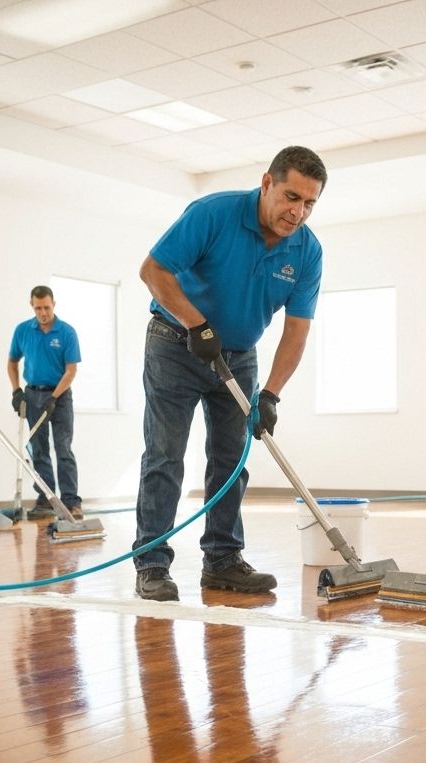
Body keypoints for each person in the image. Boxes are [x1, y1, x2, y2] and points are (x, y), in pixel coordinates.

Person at [133, 145, 326, 601]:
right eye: (290, 197)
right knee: (165, 455)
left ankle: (222, 559)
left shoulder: (308, 251)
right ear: (266, 183)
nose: (297, 212)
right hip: (174, 345)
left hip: (238, 356)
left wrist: (272, 395)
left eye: (309, 203)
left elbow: (296, 332)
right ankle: (152, 564)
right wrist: (195, 324)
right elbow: (153, 271)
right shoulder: (213, 214)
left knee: (231, 461)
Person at [7, 285, 83, 519]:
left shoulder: (66, 332)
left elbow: (71, 371)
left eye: (47, 307)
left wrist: (54, 398)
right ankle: (46, 497)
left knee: (63, 448)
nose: (43, 312)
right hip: (32, 395)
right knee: (38, 449)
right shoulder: (23, 330)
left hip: (60, 396)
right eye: (38, 308)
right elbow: (12, 362)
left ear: (54, 305)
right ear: (32, 306)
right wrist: (16, 391)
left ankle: (71, 501)